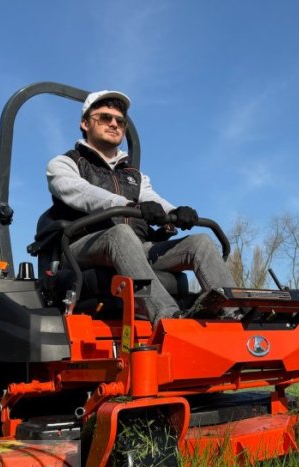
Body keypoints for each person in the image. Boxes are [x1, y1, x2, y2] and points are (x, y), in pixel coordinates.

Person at [46, 90, 236, 323]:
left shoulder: (134, 176)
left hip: (136, 248)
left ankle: (235, 315)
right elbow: (82, 192)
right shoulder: (64, 164)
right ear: (85, 123)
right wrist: (124, 204)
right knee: (121, 234)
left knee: (201, 242)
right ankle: (167, 317)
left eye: (120, 121)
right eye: (105, 118)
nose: (114, 124)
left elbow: (151, 198)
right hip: (81, 249)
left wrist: (174, 213)